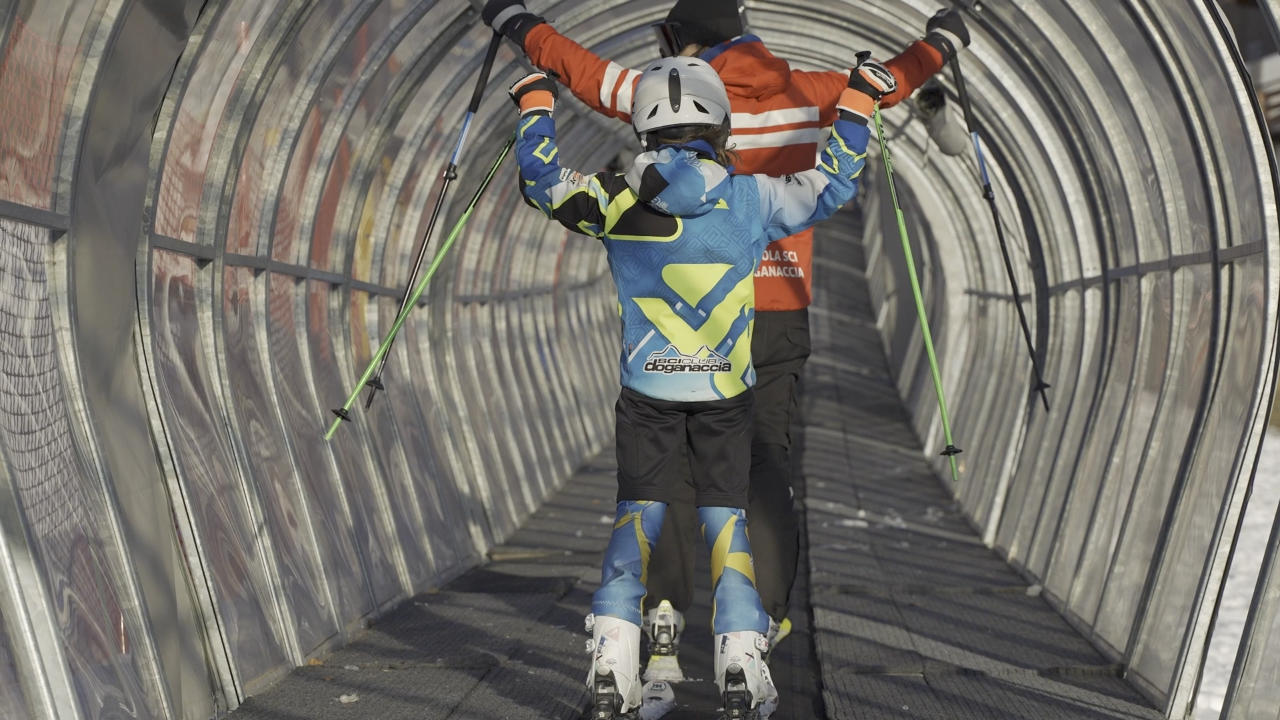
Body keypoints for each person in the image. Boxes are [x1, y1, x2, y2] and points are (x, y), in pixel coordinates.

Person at [486, 0, 971, 688]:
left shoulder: (656, 92)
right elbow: (887, 82)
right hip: (773, 306)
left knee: (664, 477)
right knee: (762, 460)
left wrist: (514, 26)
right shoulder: (808, 92)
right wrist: (941, 44)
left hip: (675, 315)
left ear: (675, 43)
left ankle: (658, 613)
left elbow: (577, 68)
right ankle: (758, 621)